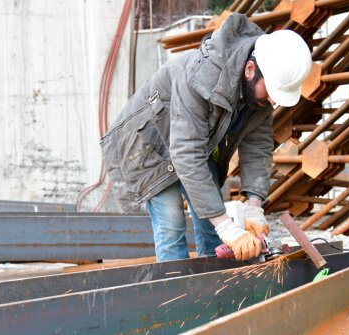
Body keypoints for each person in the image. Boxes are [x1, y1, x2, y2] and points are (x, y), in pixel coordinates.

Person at [100, 13, 311, 261]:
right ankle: (175, 292)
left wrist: (255, 205)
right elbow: (186, 153)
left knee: (212, 225)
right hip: (149, 146)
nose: (275, 100)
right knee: (172, 223)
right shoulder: (200, 77)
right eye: (272, 90)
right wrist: (226, 226)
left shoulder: (259, 94)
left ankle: (215, 290)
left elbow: (258, 147)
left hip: (195, 143)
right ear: (250, 69)